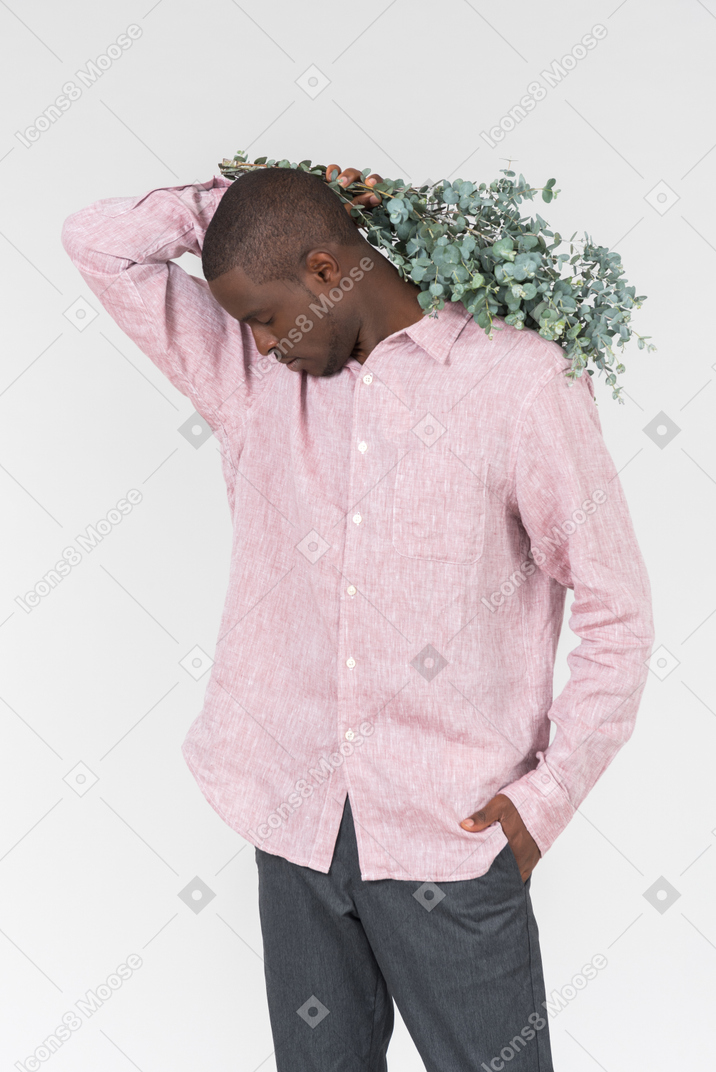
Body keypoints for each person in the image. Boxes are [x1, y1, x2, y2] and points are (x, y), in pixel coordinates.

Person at [61, 161, 654, 1072]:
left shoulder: (521, 388)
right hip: (292, 818)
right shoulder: (252, 385)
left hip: (448, 837)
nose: (256, 344)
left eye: (264, 316)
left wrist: (545, 801)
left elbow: (618, 610)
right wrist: (238, 202)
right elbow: (97, 241)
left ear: (329, 272)